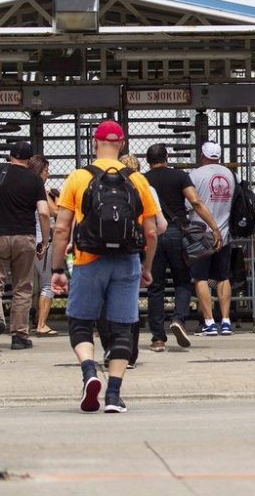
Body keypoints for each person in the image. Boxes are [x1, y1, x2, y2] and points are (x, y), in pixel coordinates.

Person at [50, 121, 159, 414]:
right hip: (127, 261)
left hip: (88, 260)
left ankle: (89, 373)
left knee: (80, 322)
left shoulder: (78, 177)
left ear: (95, 142)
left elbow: (61, 229)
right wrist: (146, 266)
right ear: (121, 143)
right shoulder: (138, 181)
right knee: (122, 327)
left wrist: (57, 268)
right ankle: (113, 395)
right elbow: (151, 232)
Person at [144, 143, 221, 351]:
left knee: (155, 287)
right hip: (178, 233)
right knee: (183, 281)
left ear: (147, 160)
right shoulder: (179, 176)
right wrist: (213, 227)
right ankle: (178, 319)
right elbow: (195, 201)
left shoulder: (142, 180)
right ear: (167, 157)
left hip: (153, 235)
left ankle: (158, 338)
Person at [96, 153, 169, 368]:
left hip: (101, 249)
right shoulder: (142, 185)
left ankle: (111, 348)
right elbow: (158, 227)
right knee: (128, 303)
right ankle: (130, 351)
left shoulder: (99, 184)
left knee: (103, 302)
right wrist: (148, 259)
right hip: (132, 249)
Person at [0, 141, 51, 351]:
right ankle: (19, 335)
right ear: (30, 159)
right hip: (25, 237)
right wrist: (45, 240)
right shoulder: (34, 179)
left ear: (10, 156)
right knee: (22, 286)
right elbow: (43, 212)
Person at [187, 142, 235, 337]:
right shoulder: (232, 175)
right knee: (223, 277)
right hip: (224, 235)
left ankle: (209, 322)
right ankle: (225, 321)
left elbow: (189, 204)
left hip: (201, 234)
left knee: (200, 277)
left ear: (202, 155)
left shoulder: (195, 175)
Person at [27, 154, 60, 336]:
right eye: (46, 171)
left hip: (26, 241)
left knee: (24, 285)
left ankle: (21, 326)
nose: (48, 174)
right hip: (41, 242)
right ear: (39, 172)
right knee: (48, 285)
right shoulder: (40, 189)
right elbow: (52, 212)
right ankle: (41, 324)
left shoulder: (23, 188)